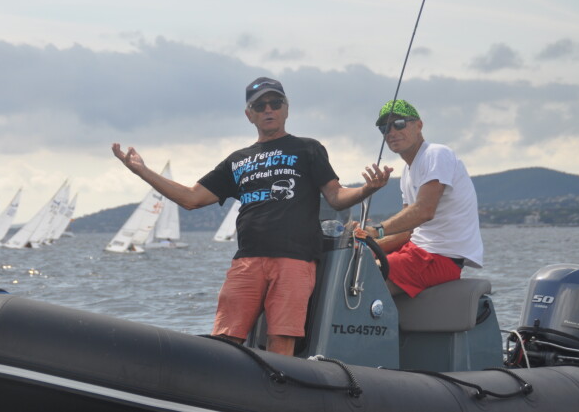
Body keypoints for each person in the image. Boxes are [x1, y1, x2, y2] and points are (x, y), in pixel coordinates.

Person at [112, 76, 392, 355]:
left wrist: (367, 188)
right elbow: (191, 198)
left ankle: (279, 384)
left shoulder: (308, 149)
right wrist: (142, 171)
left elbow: (336, 196)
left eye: (275, 103)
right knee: (224, 339)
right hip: (247, 261)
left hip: (295, 259)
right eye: (260, 106)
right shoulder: (237, 160)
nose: (268, 109)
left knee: (282, 339)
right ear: (249, 115)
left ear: (286, 109)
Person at [358, 99, 483, 298]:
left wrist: (376, 230)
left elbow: (424, 211)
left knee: (360, 275)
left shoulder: (436, 154)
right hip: (418, 250)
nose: (391, 132)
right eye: (385, 128)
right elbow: (406, 231)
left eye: (399, 124)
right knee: (353, 261)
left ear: (419, 125)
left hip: (439, 258)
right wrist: (362, 243)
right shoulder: (407, 172)